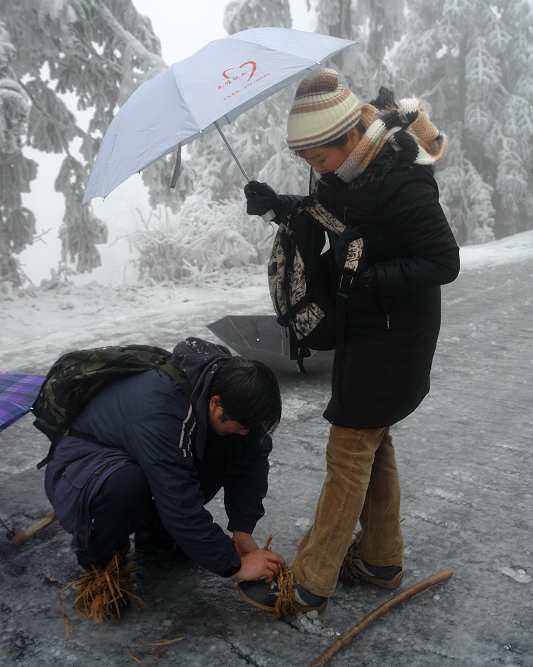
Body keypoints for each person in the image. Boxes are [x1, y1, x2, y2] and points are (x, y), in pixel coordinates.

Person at [239, 68, 460, 615]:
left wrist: (371, 279)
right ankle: (381, 559)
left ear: (349, 138)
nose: (316, 171)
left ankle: (310, 581)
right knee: (371, 441)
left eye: (319, 160)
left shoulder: (399, 178)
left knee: (348, 451)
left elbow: (444, 261)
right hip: (368, 331)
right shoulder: (352, 171)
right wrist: (279, 206)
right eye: (308, 163)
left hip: (395, 335)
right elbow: (334, 213)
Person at [44, 337, 285, 618]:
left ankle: (156, 534)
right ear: (216, 404)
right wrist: (235, 565)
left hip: (145, 454)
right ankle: (102, 565)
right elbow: (179, 501)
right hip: (85, 468)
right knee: (126, 483)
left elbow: (250, 460)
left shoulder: (225, 391)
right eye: (241, 425)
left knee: (229, 443)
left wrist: (242, 530)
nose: (245, 431)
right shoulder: (161, 411)